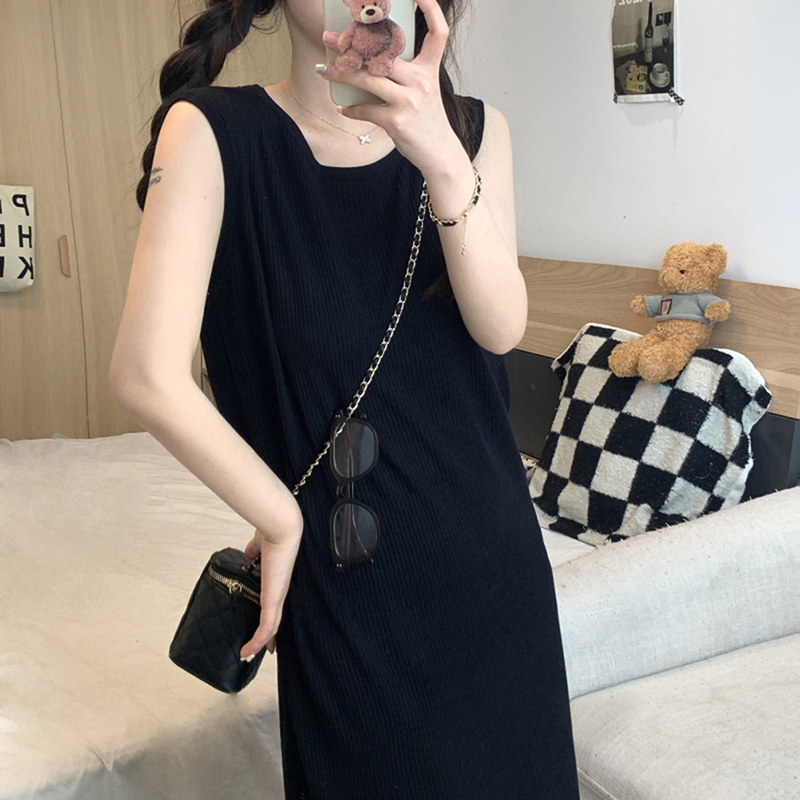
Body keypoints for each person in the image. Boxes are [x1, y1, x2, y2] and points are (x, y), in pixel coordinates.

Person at [110, 0, 582, 796]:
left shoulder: (475, 132)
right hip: (348, 580)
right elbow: (144, 372)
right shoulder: (214, 132)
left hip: (497, 570)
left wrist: (441, 159)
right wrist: (280, 515)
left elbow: (501, 327)